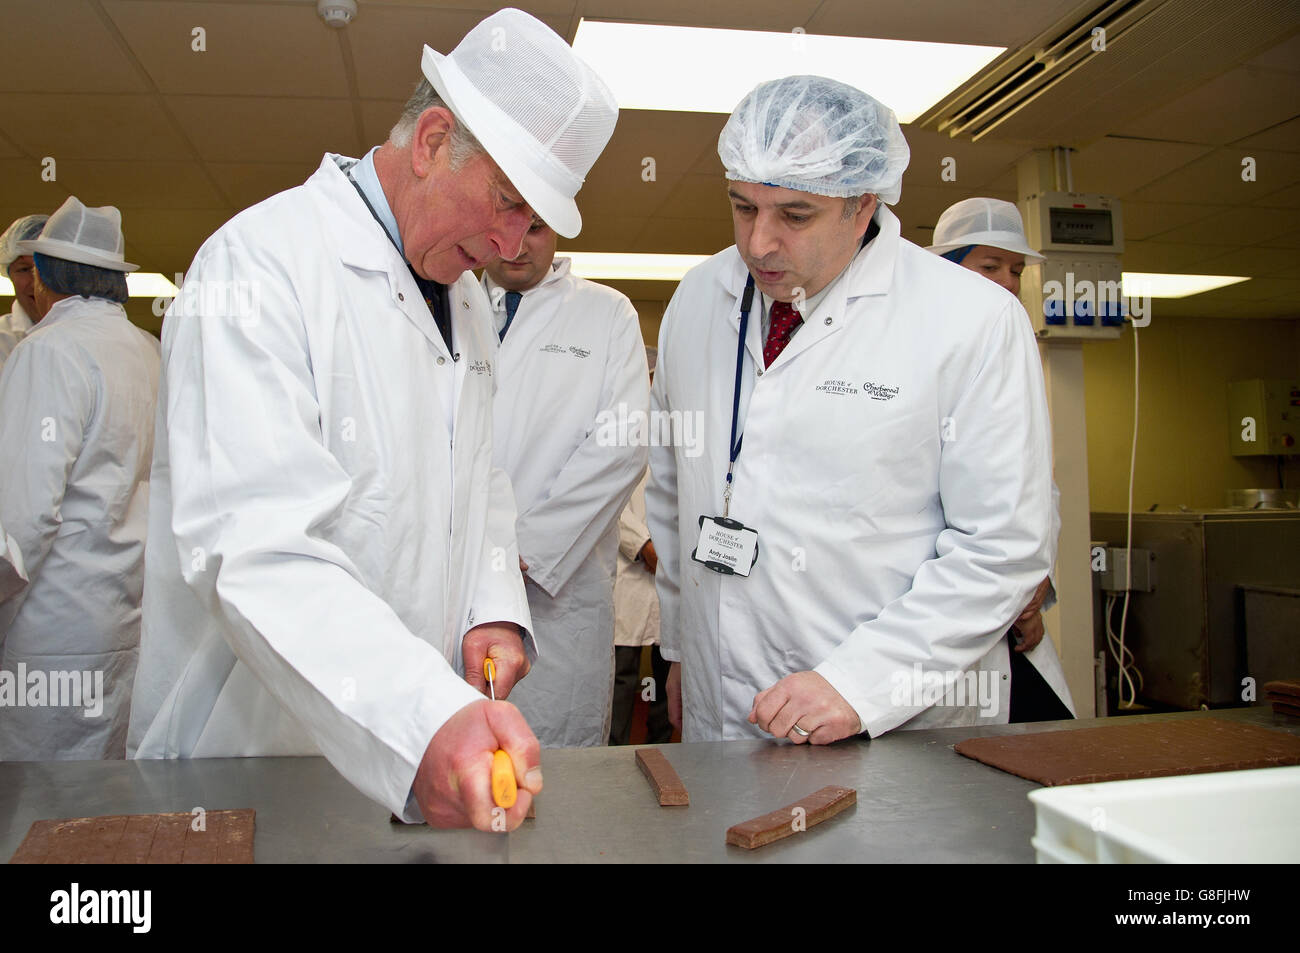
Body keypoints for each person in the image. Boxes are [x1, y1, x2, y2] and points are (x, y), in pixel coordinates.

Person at [128, 10, 619, 831]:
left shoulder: (463, 299)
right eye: (504, 203)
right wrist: (424, 712)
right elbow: (258, 547)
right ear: (430, 141)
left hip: (396, 755)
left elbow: (481, 477)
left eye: (530, 221)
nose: (508, 243)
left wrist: (491, 600)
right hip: (252, 758)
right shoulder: (260, 267)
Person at [646, 75, 1068, 745]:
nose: (758, 243)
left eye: (794, 214)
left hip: (896, 723)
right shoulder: (698, 298)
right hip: (719, 707)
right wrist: (678, 649)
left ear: (863, 203)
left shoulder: (972, 320)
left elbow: (1002, 547)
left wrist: (862, 681)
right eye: (742, 206)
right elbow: (671, 493)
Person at [0, 197, 160, 760]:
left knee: (37, 811)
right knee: (102, 799)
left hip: (50, 628)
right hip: (125, 617)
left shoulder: (46, 352)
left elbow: (22, 518)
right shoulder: (150, 351)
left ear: (43, 276)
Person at [482, 218, 648, 747]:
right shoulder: (445, 299)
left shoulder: (605, 313)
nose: (514, 245)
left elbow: (620, 447)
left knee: (555, 769)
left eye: (534, 228)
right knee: (455, 774)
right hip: (455, 578)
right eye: (501, 225)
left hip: (555, 592)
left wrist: (524, 549)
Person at [929, 196, 1074, 721]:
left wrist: (1034, 588)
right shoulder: (915, 354)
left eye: (1015, 269)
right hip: (944, 615)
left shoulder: (1014, 353)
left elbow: (1037, 490)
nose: (1009, 281)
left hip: (1013, 621)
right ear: (947, 268)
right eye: (989, 266)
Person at [0, 214, 49, 374]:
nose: (36, 281)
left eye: (43, 268)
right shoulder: (3, 339)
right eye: (24, 269)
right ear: (10, 275)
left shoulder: (89, 333)